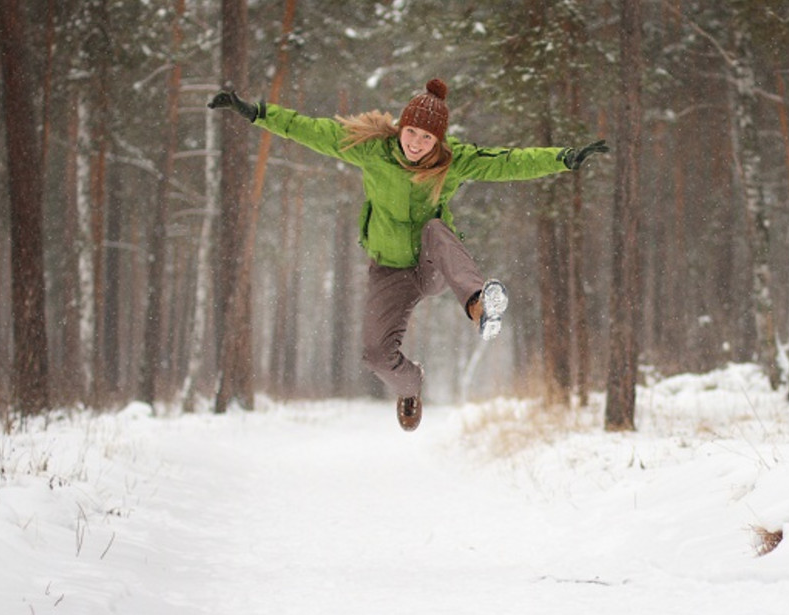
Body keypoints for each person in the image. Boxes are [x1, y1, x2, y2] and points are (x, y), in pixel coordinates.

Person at [209, 79, 607, 431]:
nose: (416, 143)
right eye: (412, 132)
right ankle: (410, 386)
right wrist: (256, 112)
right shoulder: (371, 151)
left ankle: (479, 305)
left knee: (436, 228)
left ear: (439, 142)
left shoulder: (452, 163)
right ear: (402, 126)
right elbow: (309, 130)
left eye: (427, 138)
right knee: (376, 356)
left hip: (431, 264)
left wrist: (562, 158)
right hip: (388, 271)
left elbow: (509, 161)